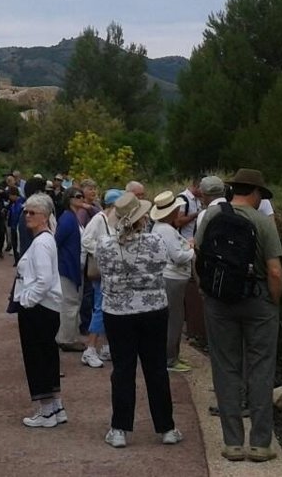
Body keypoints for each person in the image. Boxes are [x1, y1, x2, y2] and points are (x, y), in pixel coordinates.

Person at [195, 168, 282, 464]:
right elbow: (274, 270)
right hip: (258, 300)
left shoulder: (211, 216)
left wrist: (206, 292)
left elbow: (199, 256)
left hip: (219, 301)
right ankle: (259, 444)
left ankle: (232, 443)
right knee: (260, 368)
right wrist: (273, 301)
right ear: (256, 192)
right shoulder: (263, 222)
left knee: (225, 367)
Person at [95, 193, 183, 449]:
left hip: (117, 312)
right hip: (153, 309)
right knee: (156, 368)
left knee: (123, 369)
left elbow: (100, 270)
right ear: (142, 218)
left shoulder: (105, 244)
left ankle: (119, 429)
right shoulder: (155, 241)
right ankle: (166, 427)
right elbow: (163, 265)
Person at [13, 192, 65, 428]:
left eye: (32, 212)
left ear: (44, 216)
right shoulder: (44, 240)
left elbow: (44, 279)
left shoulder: (42, 242)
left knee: (37, 358)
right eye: (26, 211)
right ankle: (56, 406)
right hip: (45, 308)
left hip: (39, 309)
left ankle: (46, 411)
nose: (27, 216)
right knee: (48, 355)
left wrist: (27, 300)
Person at [150, 190, 196, 373]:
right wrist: (192, 249)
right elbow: (178, 256)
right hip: (173, 277)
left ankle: (171, 354)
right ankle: (170, 358)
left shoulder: (159, 228)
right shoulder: (166, 230)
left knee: (172, 317)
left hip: (169, 276)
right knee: (174, 319)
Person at [78, 188, 122, 368]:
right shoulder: (99, 219)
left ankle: (106, 346)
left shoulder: (114, 219)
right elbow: (86, 240)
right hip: (101, 271)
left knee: (107, 307)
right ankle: (90, 349)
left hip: (111, 271)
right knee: (100, 307)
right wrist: (104, 251)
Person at [54, 187, 85, 352]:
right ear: (69, 199)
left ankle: (68, 336)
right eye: (77, 196)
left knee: (71, 302)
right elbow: (56, 241)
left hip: (72, 265)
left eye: (82, 196)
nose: (81, 198)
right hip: (67, 266)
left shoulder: (73, 217)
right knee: (69, 302)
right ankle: (66, 339)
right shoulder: (67, 219)